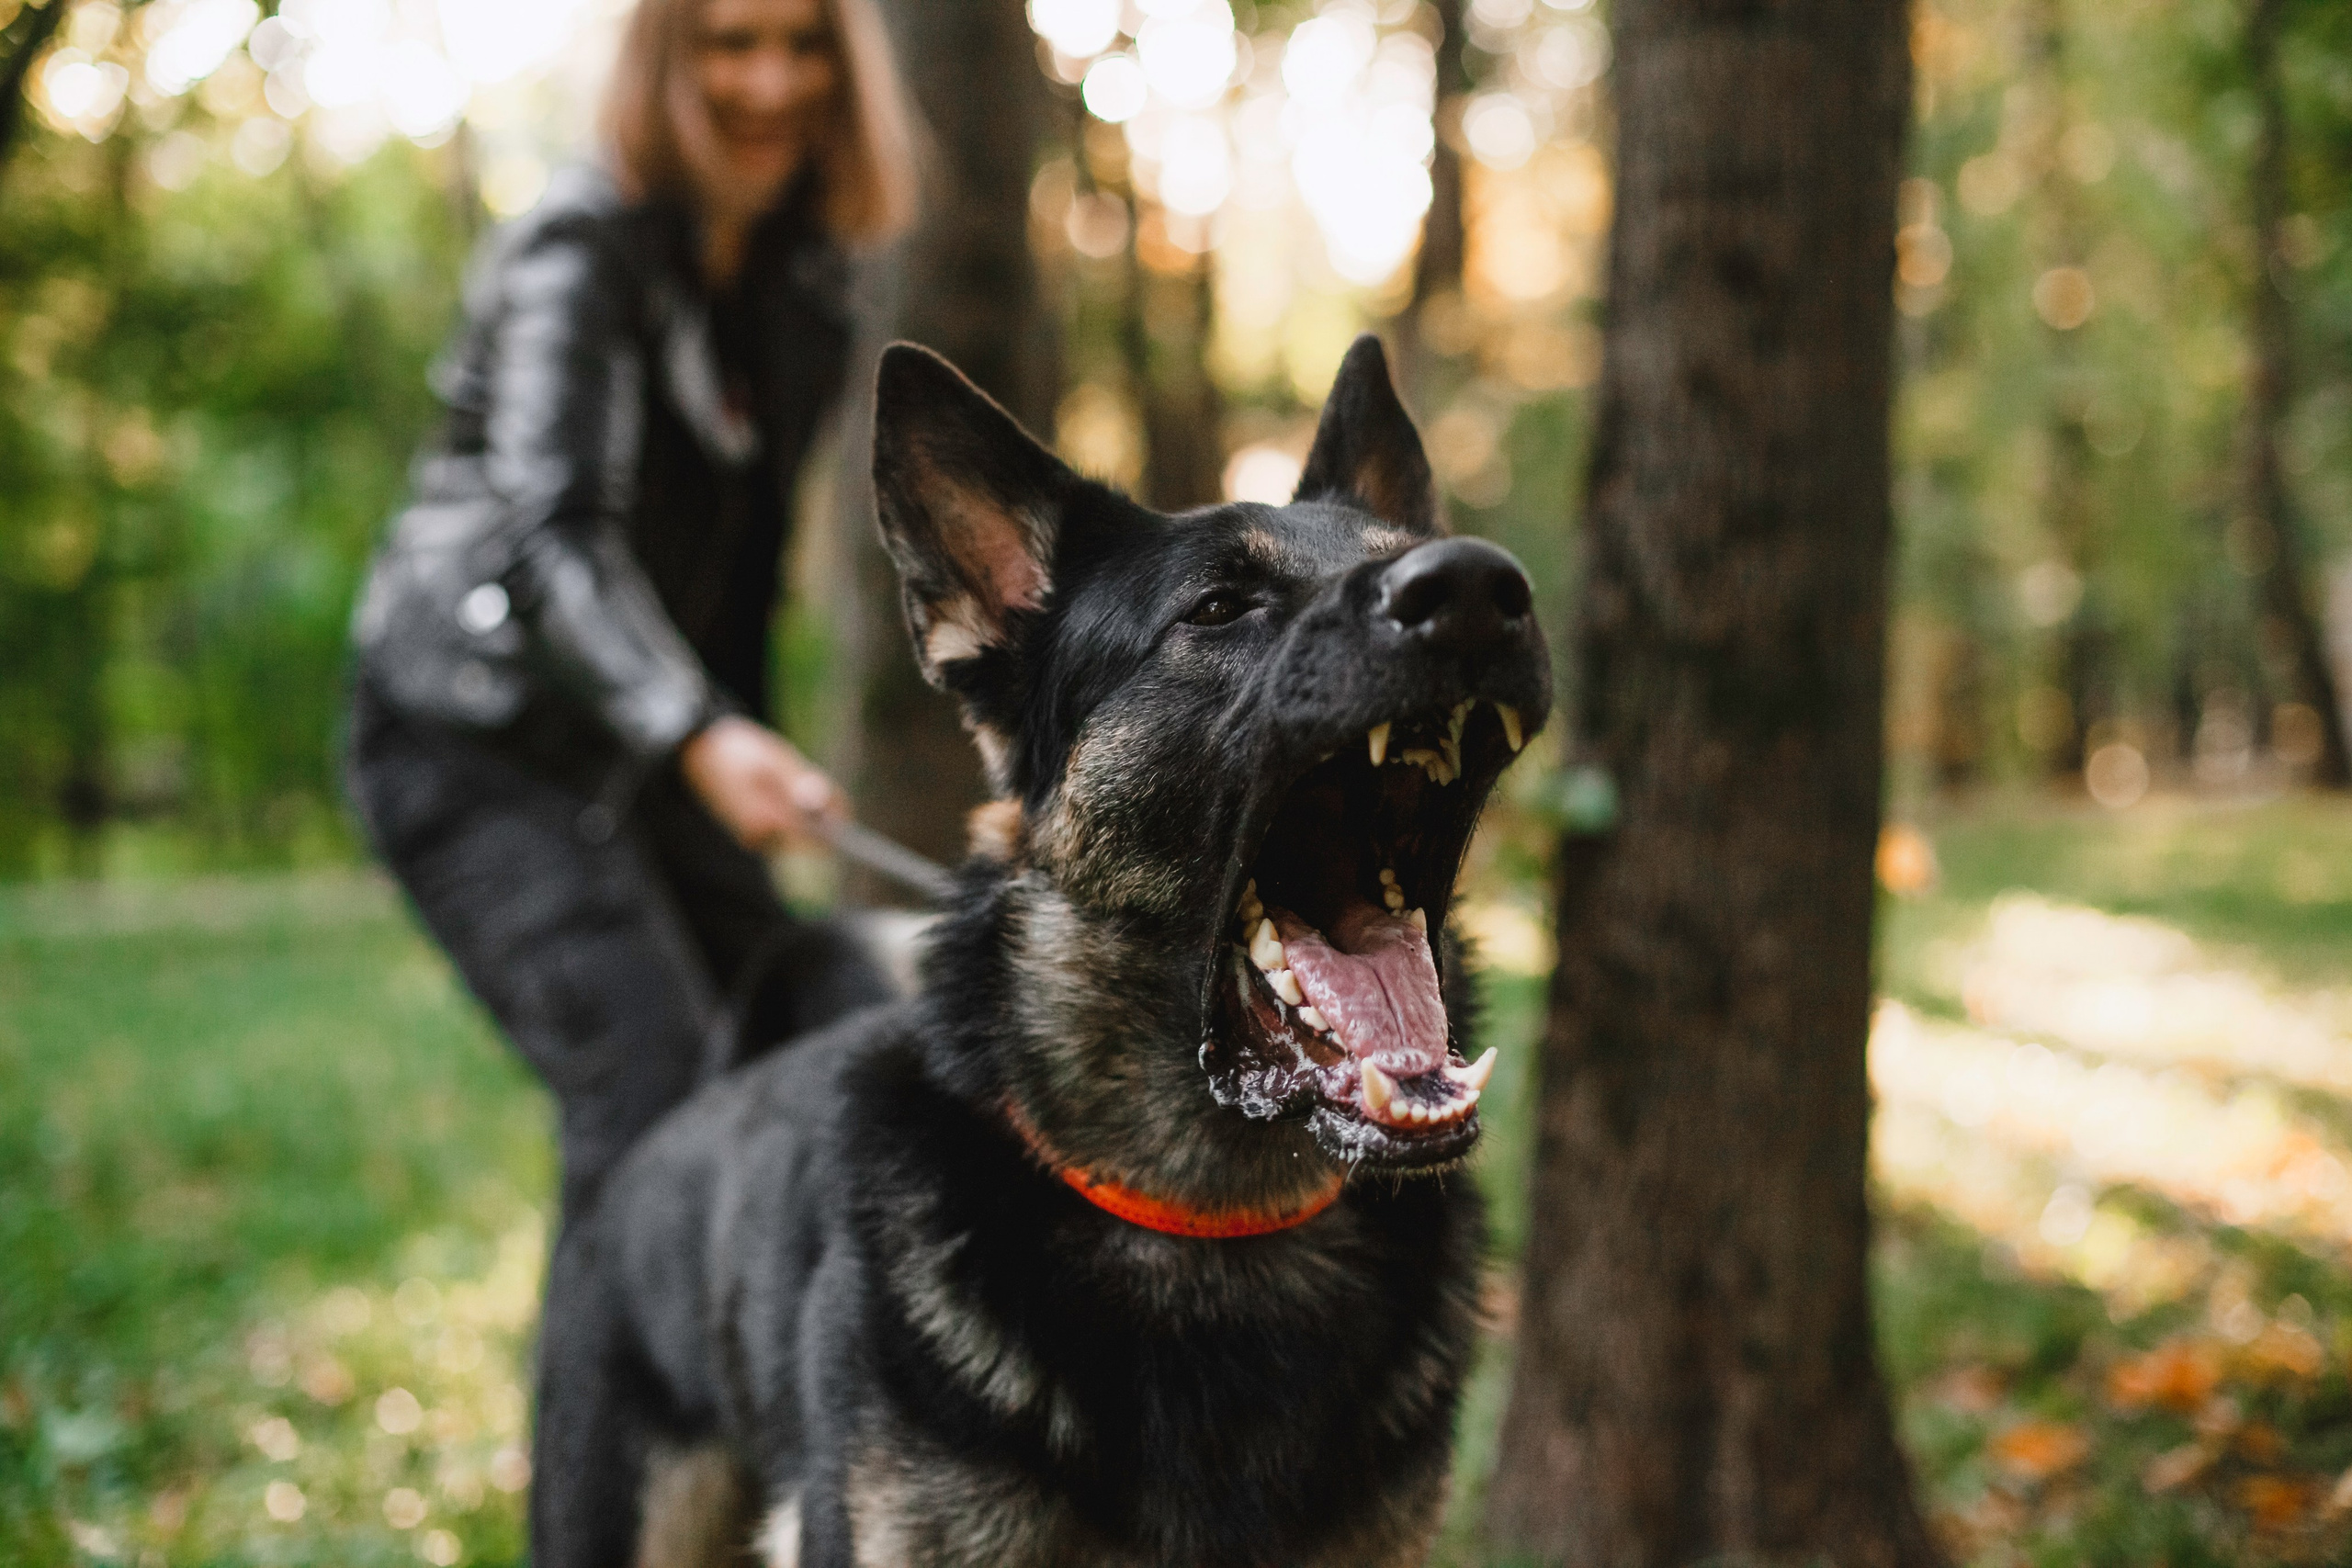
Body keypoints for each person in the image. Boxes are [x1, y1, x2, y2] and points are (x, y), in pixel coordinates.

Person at [346, 0, 918, 1227]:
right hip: (474, 733)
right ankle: (595, 1428)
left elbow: (739, 574)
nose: (771, 81)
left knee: (835, 1031)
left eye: (804, 44)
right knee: (650, 1090)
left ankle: (798, 1405)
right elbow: (554, 538)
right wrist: (697, 733)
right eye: (730, 43)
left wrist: (743, 746)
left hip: (652, 737)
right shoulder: (577, 249)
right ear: (668, 57)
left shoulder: (803, 281)